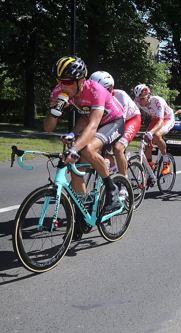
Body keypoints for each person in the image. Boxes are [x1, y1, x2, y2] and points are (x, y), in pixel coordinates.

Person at [44, 56, 126, 221]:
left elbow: (93, 125)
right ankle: (82, 216)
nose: (62, 85)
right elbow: (48, 128)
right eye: (59, 81)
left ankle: (111, 188)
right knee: (76, 171)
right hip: (89, 120)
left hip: (112, 121)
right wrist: (53, 112)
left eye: (67, 82)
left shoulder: (95, 90)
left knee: (88, 149)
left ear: (81, 81)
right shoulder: (58, 91)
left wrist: (74, 148)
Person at [89, 71, 141, 178]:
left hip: (131, 119)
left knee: (117, 148)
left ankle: (124, 185)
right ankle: (113, 172)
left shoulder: (121, 95)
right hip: (112, 122)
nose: (98, 93)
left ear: (111, 88)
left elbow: (121, 122)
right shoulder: (95, 98)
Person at [133, 84, 175, 181]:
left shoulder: (157, 101)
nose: (139, 101)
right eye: (137, 98)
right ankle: (150, 166)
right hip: (155, 119)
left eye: (141, 98)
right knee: (147, 141)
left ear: (148, 96)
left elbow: (161, 121)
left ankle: (166, 161)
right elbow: (133, 117)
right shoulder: (137, 102)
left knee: (156, 135)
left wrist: (151, 132)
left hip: (167, 118)